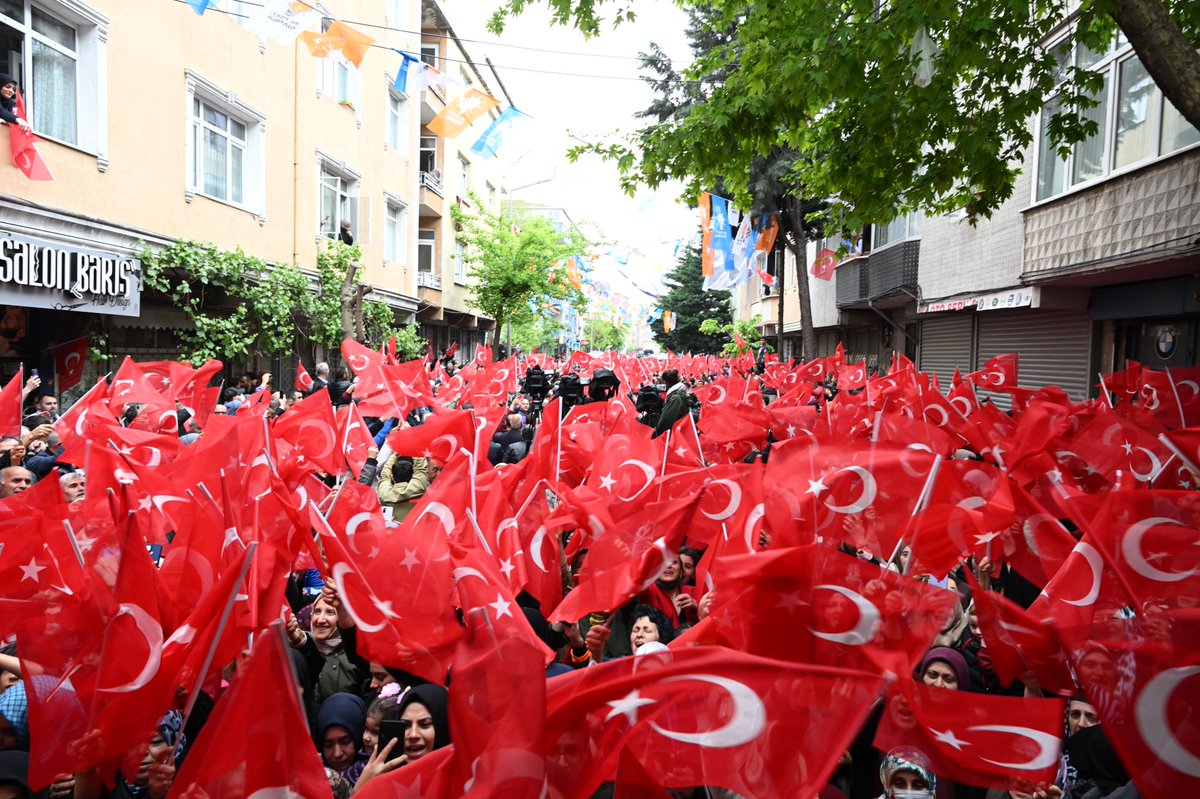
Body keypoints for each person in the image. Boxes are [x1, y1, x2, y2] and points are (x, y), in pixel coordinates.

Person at [286, 590, 370, 706]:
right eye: (317, 611)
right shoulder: (301, 646)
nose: (320, 620)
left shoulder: (359, 656)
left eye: (330, 612)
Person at [315, 692, 369, 785]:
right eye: (328, 745)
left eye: (345, 741)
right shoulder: (312, 777)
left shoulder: (380, 772)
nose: (337, 754)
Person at [377, 456, 429, 521]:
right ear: (413, 476)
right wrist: (417, 453)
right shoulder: (418, 488)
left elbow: (384, 476)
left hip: (393, 530)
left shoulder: (385, 493)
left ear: (392, 477)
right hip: (416, 530)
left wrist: (396, 454)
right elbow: (421, 469)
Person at [652, 369, 690, 438]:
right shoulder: (680, 393)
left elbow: (665, 424)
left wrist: (652, 434)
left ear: (664, 382)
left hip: (675, 437)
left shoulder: (675, 399)